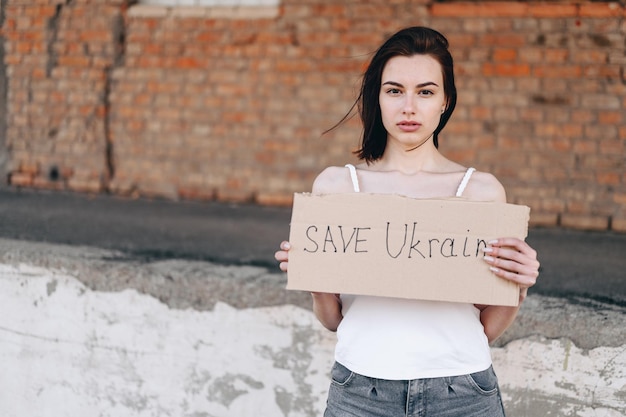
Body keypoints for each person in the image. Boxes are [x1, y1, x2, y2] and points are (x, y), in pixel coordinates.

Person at [274, 26, 540, 417]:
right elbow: (332, 320)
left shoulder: (481, 191)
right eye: (395, 90)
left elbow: (486, 328)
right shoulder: (337, 186)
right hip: (360, 391)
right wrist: (313, 280)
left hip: (462, 390)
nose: (409, 107)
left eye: (426, 92)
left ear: (446, 101)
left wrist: (518, 285)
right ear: (377, 99)